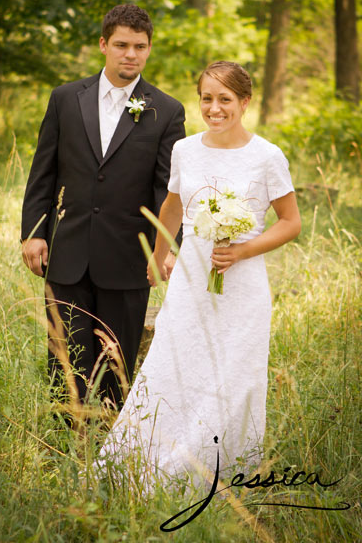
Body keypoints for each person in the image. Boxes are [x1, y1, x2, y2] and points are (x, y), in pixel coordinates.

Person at [96, 61, 301, 484]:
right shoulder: (185, 149)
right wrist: (157, 255)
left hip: (242, 287)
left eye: (225, 99)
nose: (214, 108)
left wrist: (243, 250)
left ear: (244, 102)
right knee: (176, 364)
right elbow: (172, 207)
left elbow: (290, 222)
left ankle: (222, 468)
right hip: (192, 280)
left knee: (233, 373)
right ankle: (161, 454)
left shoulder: (266, 156)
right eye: (207, 98)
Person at [21, 4, 186, 408]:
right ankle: (61, 450)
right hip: (68, 253)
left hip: (129, 259)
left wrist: (166, 249)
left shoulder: (166, 111)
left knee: (117, 368)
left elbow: (168, 190)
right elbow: (44, 172)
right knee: (65, 363)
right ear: (103, 45)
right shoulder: (64, 99)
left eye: (139, 47)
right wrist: (34, 232)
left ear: (149, 50)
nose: (130, 54)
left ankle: (110, 452)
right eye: (121, 45)